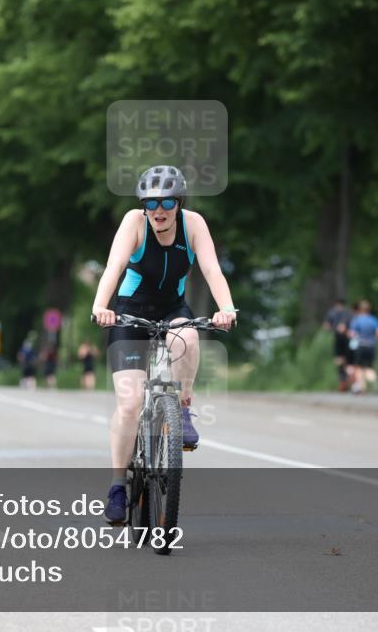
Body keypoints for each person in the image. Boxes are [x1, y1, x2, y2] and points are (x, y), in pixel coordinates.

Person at [91, 165, 237, 524]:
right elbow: (113, 267)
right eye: (151, 202)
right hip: (129, 312)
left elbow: (212, 270)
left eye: (167, 202)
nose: (158, 210)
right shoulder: (134, 223)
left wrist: (226, 308)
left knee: (187, 334)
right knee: (129, 404)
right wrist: (100, 306)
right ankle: (117, 486)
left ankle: (182, 410)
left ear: (179, 202)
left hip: (173, 307)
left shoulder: (194, 224)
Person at [347, 300, 378, 394]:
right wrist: (375, 339)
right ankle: (375, 382)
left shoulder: (357, 320)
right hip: (371, 345)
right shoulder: (374, 320)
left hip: (361, 345)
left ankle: (362, 388)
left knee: (359, 367)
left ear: (360, 309)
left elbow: (351, 334)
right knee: (369, 367)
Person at [323, 299, 353, 391]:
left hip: (340, 338)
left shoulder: (332, 313)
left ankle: (344, 380)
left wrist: (332, 329)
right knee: (345, 360)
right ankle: (345, 380)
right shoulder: (348, 313)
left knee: (341, 360)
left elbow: (326, 326)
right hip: (347, 338)